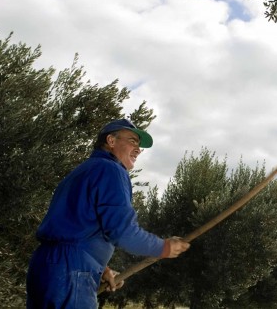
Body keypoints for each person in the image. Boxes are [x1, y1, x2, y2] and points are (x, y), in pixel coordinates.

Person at [26, 119, 190, 308]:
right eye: (133, 141)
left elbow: (77, 226)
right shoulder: (111, 170)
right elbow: (123, 232)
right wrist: (164, 247)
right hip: (72, 271)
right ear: (111, 141)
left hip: (46, 267)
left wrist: (101, 270)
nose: (138, 149)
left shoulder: (82, 171)